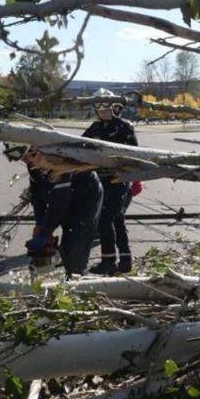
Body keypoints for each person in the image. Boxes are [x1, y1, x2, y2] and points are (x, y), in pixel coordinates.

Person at [17, 149, 103, 279]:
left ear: (34, 151)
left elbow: (59, 202)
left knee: (74, 245)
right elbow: (37, 195)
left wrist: (46, 231)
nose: (25, 161)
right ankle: (46, 281)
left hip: (85, 200)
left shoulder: (58, 161)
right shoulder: (33, 163)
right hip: (63, 197)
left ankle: (76, 278)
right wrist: (40, 224)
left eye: (25, 157)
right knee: (44, 246)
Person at [83, 102, 138, 275]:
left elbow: (135, 152)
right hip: (101, 180)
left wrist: (133, 176)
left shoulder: (124, 127)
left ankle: (108, 261)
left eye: (107, 110)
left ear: (112, 109)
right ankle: (125, 260)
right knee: (117, 220)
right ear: (97, 112)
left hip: (119, 180)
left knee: (105, 220)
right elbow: (81, 144)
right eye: (100, 111)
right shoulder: (95, 127)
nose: (104, 113)